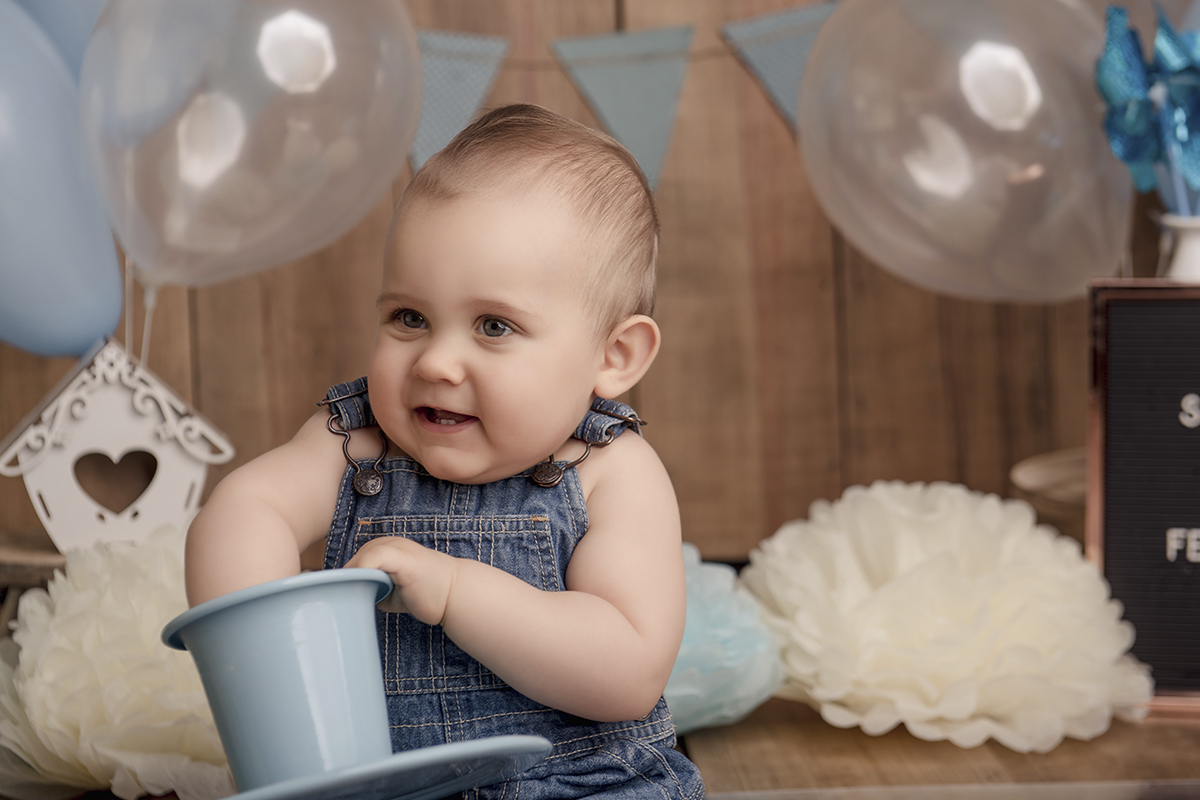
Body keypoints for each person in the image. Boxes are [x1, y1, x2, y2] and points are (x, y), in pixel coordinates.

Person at [185, 103, 705, 799]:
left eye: (493, 326)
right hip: (381, 785)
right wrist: (264, 638)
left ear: (613, 356)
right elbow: (250, 505)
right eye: (409, 318)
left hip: (581, 782)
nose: (437, 362)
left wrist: (461, 593)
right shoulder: (358, 442)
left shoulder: (611, 470)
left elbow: (627, 672)